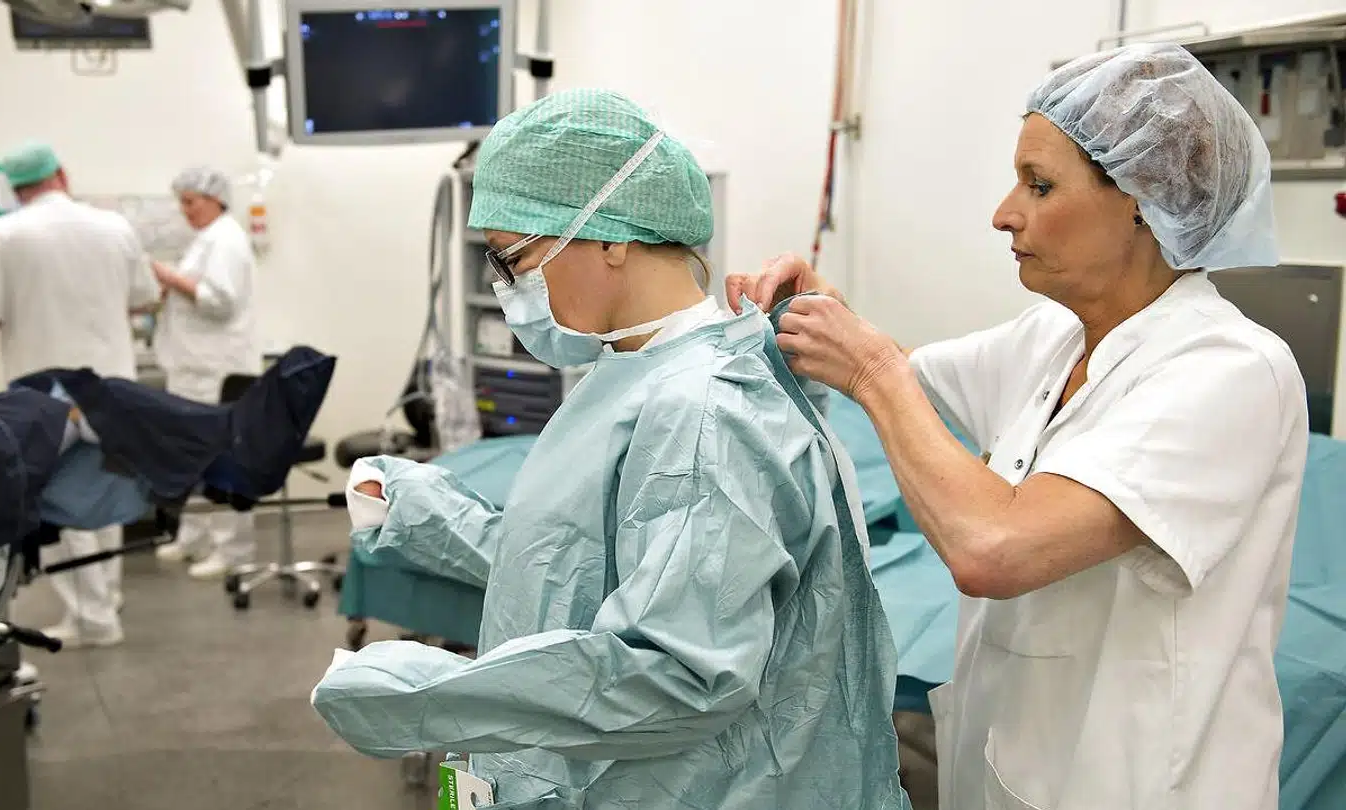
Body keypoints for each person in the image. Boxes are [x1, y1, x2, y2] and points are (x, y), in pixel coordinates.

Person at [728, 42, 1306, 810]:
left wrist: (868, 367)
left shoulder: (1231, 373)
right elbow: (915, 381)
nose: (1005, 213)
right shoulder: (1055, 337)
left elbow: (993, 547)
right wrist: (826, 315)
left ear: (1140, 195)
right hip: (1016, 769)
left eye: (1039, 185)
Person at [310, 89, 909, 810]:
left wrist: (432, 695)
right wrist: (426, 514)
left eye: (513, 259)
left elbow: (681, 675)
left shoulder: (702, 410)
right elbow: (580, 566)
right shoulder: (631, 369)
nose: (507, 287)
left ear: (610, 237)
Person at [0, 141, 160, 648]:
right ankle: (106, 599)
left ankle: (94, 621)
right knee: (109, 493)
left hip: (45, 392)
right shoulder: (116, 227)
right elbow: (145, 299)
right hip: (113, 387)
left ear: (16, 187)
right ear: (62, 175)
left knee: (64, 503)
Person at [150, 166, 260, 580]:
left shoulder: (226, 240)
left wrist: (167, 276)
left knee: (221, 459)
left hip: (218, 369)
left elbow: (220, 302)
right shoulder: (206, 241)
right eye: (181, 202)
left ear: (215, 199)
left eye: (191, 201)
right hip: (194, 367)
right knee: (192, 457)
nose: (185, 210)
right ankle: (193, 535)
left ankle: (232, 549)